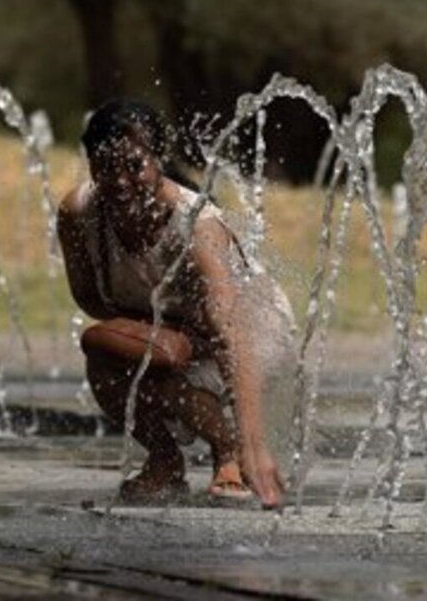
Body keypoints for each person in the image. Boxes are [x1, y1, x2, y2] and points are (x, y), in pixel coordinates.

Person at [57, 99, 294, 508]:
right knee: (105, 351)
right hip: (175, 323)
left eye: (134, 166)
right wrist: (161, 331)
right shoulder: (79, 213)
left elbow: (229, 328)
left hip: (250, 329)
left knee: (161, 364)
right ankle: (165, 460)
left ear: (158, 159)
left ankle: (232, 452)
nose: (119, 181)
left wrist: (257, 445)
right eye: (105, 166)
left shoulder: (197, 225)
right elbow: (92, 301)